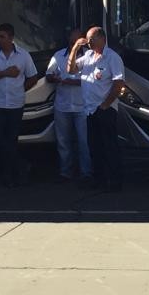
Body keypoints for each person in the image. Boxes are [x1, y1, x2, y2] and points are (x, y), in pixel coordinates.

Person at [0, 23, 39, 187]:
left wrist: (21, 89)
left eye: (2, 36)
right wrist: (4, 73)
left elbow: (33, 77)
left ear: (11, 38)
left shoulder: (23, 55)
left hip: (15, 104)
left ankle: (9, 175)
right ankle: (20, 164)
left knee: (11, 140)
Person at [69, 26, 126, 191]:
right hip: (89, 109)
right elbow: (70, 69)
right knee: (94, 147)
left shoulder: (112, 57)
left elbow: (118, 84)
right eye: (87, 39)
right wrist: (75, 48)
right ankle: (98, 180)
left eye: (91, 39)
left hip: (104, 109)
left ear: (102, 38)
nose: (88, 42)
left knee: (110, 147)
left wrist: (105, 104)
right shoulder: (87, 56)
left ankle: (115, 182)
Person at [47, 28, 91, 183]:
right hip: (62, 105)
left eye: (78, 42)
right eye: (73, 42)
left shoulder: (89, 56)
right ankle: (66, 172)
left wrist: (70, 81)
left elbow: (93, 80)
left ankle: (86, 172)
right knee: (63, 141)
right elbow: (48, 75)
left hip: (82, 106)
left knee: (83, 142)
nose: (75, 45)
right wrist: (54, 78)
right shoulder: (59, 55)